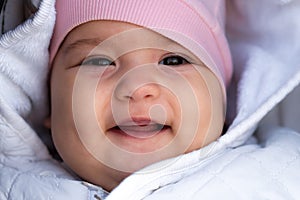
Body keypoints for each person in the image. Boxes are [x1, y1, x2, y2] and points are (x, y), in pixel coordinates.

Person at [0, 0, 300, 199]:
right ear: (50, 103)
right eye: (99, 62)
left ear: (223, 100)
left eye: (173, 61)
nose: (138, 86)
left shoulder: (284, 171)